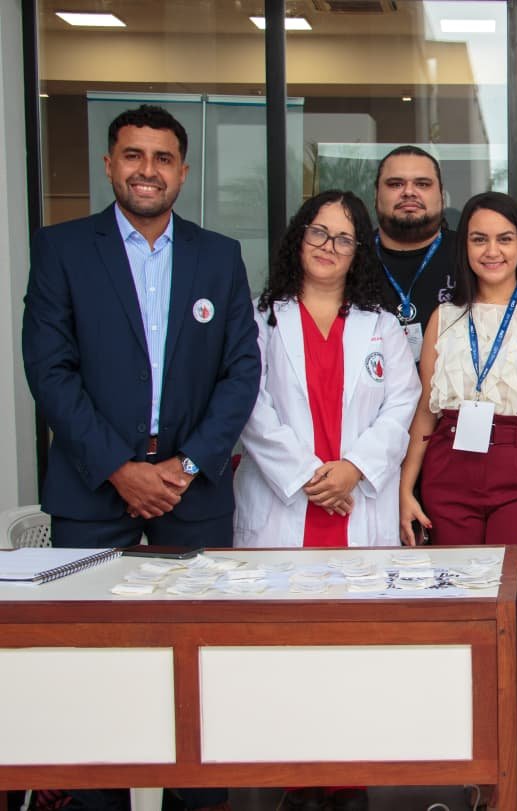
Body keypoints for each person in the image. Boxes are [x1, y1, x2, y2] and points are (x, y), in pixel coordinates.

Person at [22, 104, 259, 811]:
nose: (147, 170)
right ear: (109, 164)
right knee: (98, 667)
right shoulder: (62, 248)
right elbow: (50, 371)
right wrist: (119, 468)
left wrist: (185, 466)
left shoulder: (219, 255)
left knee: (200, 667)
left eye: (162, 158)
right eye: (133, 155)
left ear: (183, 172)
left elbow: (241, 372)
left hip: (193, 491)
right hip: (93, 490)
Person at [233, 190, 420, 550]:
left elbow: (402, 405)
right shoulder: (260, 318)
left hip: (357, 498)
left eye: (344, 239)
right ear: (299, 237)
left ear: (358, 252)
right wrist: (306, 475)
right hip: (283, 498)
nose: (328, 247)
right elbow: (249, 404)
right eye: (318, 232)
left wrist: (355, 467)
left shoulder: (382, 325)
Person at [398, 191, 517, 546]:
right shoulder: (443, 317)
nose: (492, 251)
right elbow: (425, 410)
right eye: (479, 239)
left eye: (505, 239)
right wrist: (405, 488)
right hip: (449, 468)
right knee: (456, 578)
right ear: (465, 247)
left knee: (515, 576)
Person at [373, 145, 457, 361]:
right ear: (376, 195)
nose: (409, 192)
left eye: (422, 184)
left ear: (442, 195)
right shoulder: (348, 257)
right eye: (395, 184)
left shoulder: (469, 255)